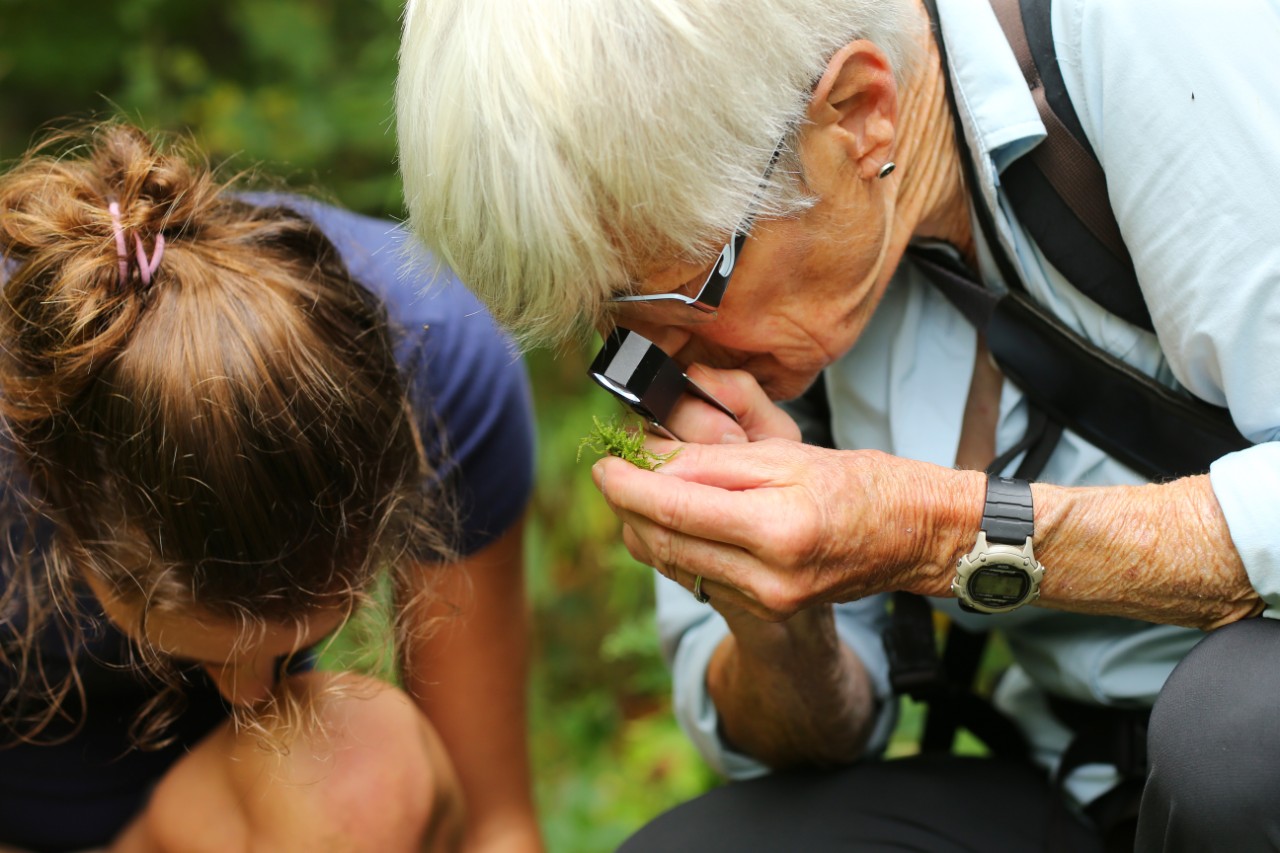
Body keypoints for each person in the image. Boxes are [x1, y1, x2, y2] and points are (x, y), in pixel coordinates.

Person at [395, 0, 1280, 849]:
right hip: (1088, 778)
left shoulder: (1136, 33)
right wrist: (775, 614)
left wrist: (930, 532)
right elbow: (819, 737)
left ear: (859, 114)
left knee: (1233, 745)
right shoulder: (768, 333)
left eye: (676, 300)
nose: (660, 363)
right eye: (608, 325)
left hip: (1230, 760)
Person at [0, 123, 540, 852]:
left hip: (242, 815)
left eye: (293, 641)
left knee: (365, 775)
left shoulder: (436, 359)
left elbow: (493, 824)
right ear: (52, 489)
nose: (251, 695)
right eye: (219, 652)